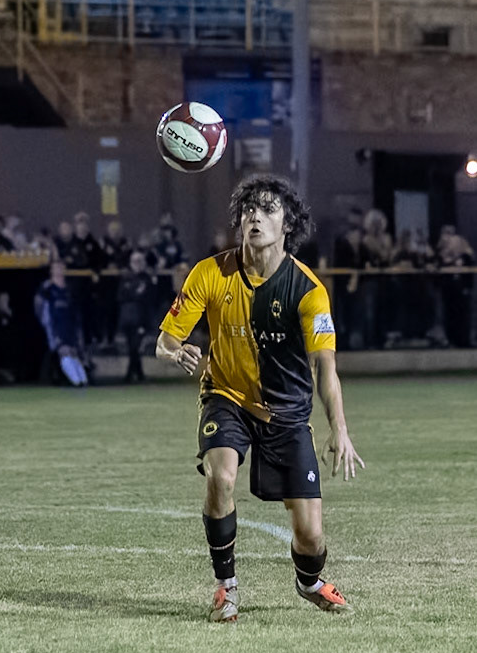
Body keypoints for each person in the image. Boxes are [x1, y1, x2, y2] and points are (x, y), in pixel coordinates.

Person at [155, 174, 363, 623]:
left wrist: (340, 429)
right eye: (249, 208)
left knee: (311, 537)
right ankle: (226, 586)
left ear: (288, 224)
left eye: (268, 209)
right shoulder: (210, 273)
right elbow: (165, 341)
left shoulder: (308, 291)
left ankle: (309, 582)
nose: (255, 216)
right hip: (225, 395)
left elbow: (325, 368)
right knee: (220, 475)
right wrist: (176, 352)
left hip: (286, 413)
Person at [34, 261, 87, 386]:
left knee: (73, 351)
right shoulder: (47, 288)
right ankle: (76, 381)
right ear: (51, 270)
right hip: (55, 325)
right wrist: (45, 322)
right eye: (56, 268)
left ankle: (82, 380)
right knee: (63, 350)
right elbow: (39, 305)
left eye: (61, 268)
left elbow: (75, 308)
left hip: (69, 324)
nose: (59, 270)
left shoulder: (69, 288)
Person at [116, 249, 155, 382]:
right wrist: (135, 293)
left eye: (139, 261)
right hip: (127, 318)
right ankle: (139, 374)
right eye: (134, 261)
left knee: (135, 346)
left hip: (140, 318)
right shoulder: (126, 278)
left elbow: (148, 299)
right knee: (132, 347)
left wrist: (134, 294)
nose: (137, 264)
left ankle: (130, 374)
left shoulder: (146, 279)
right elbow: (121, 296)